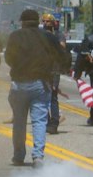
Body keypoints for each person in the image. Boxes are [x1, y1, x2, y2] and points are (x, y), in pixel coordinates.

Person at [4, 9, 62, 166]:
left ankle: (18, 155)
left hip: (19, 83)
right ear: (38, 21)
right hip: (41, 83)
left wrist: (19, 67)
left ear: (22, 21)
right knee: (39, 121)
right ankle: (37, 156)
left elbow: (8, 58)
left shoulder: (15, 36)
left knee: (19, 122)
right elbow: (61, 56)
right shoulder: (48, 36)